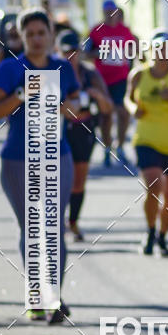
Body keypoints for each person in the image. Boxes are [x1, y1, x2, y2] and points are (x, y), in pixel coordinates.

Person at [0, 8, 80, 324]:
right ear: (21, 37)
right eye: (30, 35)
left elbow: (77, 106)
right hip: (17, 159)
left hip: (58, 156)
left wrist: (69, 108)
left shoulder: (63, 68)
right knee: (31, 229)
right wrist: (21, 94)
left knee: (53, 228)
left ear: (51, 35)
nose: (37, 40)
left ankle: (52, 297)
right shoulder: (9, 69)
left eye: (42, 33)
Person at [126, 31, 168, 257]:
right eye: (159, 49)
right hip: (146, 138)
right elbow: (128, 98)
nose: (163, 54)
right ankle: (150, 230)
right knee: (154, 186)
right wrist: (134, 109)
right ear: (151, 50)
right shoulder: (138, 75)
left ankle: (162, 236)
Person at [58, 28, 113, 241]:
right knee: (59, 178)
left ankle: (73, 222)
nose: (70, 56)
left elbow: (108, 107)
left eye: (74, 51)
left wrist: (96, 95)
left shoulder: (90, 73)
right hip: (59, 130)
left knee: (78, 180)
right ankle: (57, 221)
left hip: (84, 130)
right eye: (65, 52)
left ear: (80, 51)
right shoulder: (53, 72)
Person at [85, 0, 136, 167]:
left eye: (112, 11)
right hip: (102, 80)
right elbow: (86, 53)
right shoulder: (96, 31)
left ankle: (120, 146)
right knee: (106, 116)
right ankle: (107, 148)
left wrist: (129, 52)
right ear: (103, 13)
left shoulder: (125, 30)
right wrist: (101, 52)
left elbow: (133, 49)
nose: (110, 14)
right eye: (106, 12)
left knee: (123, 113)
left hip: (121, 78)